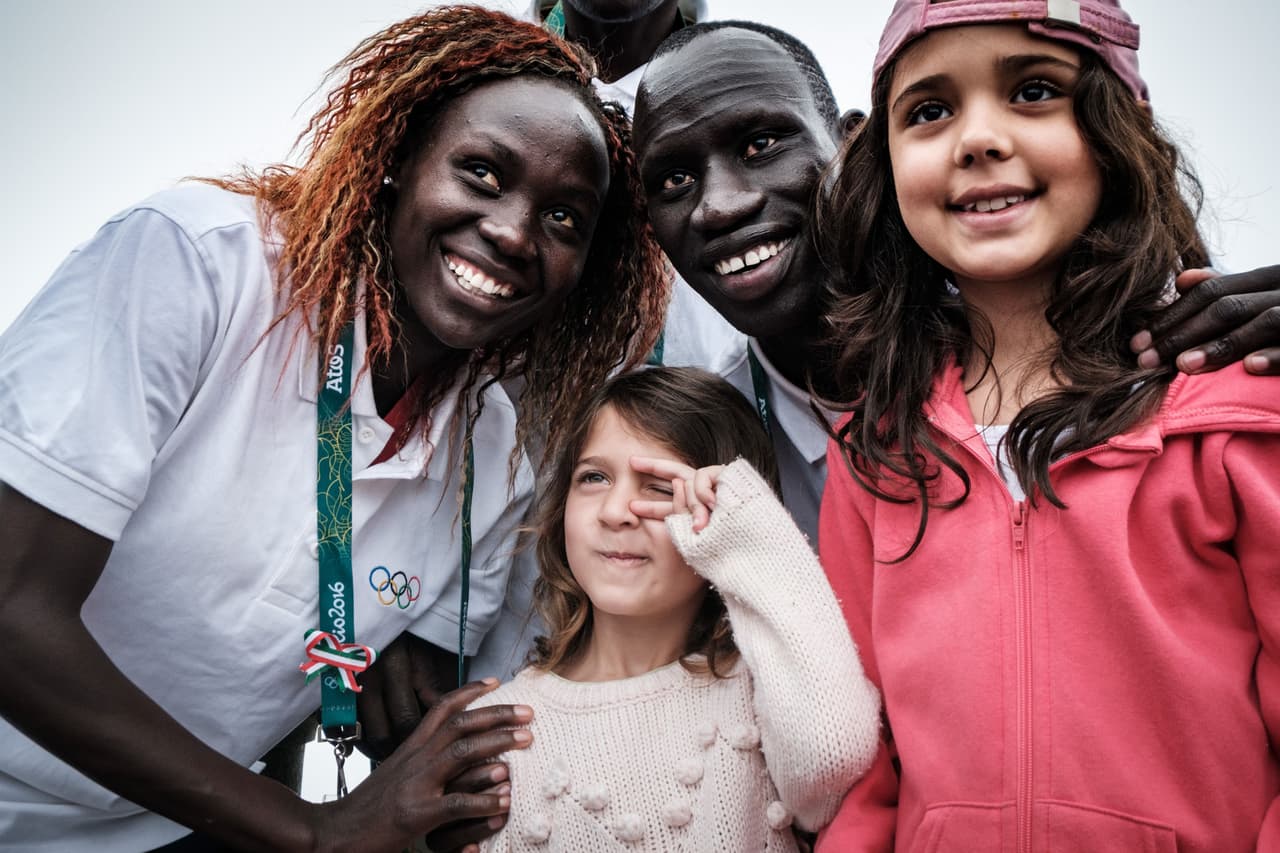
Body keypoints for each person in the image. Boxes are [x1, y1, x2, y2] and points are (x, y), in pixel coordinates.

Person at [0, 6, 668, 851]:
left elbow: (403, 704)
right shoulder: (202, 264)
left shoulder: (499, 454)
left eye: (565, 218)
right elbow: (10, 604)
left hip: (170, 830)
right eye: (482, 174)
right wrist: (311, 831)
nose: (512, 232)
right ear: (396, 161)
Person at [816, 0, 1280, 849]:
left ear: (1118, 129)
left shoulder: (1238, 418)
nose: (978, 137)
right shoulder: (873, 456)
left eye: (1033, 90)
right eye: (928, 110)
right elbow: (863, 766)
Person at [631, 18, 1280, 545]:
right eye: (674, 181)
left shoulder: (1133, 350)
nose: (721, 204)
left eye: (762, 143)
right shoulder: (693, 444)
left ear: (853, 143)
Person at [464, 367, 879, 852]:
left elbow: (833, 759)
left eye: (660, 488)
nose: (616, 511)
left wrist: (755, 539)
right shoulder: (496, 724)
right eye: (594, 477)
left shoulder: (765, 696)